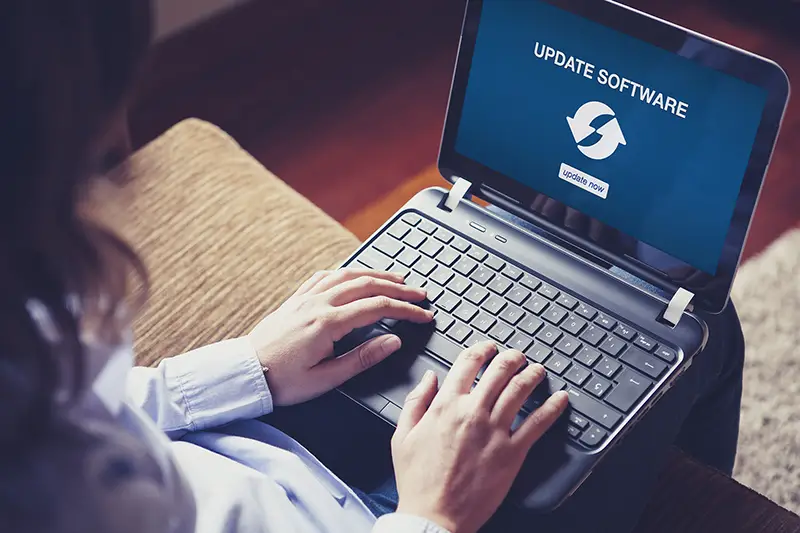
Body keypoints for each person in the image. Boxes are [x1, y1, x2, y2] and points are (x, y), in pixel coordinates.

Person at [0, 2, 745, 533]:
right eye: (95, 158)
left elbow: (95, 405)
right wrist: (431, 513)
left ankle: (601, 200)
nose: (122, 148)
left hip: (271, 454)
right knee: (703, 324)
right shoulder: (50, 488)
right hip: (384, 509)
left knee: (563, 247)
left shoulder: (24, 353)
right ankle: (634, 195)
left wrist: (245, 366)